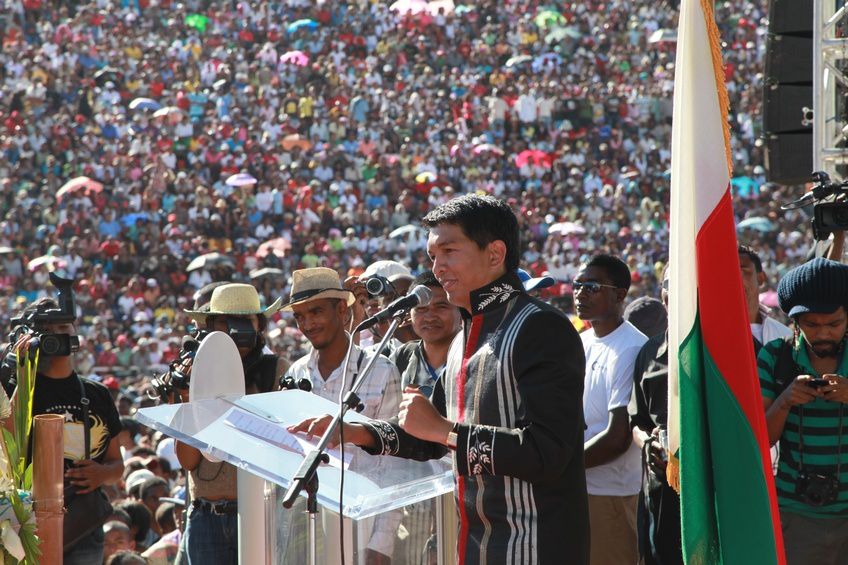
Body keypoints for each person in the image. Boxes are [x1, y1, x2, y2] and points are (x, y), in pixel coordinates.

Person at [290, 194, 589, 564]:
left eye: (449, 251)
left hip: (534, 546)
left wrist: (446, 431)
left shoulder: (541, 328)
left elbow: (548, 453)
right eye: (433, 256)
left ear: (495, 254)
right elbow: (427, 437)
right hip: (476, 544)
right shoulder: (463, 338)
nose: (438, 266)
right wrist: (354, 433)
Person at [280, 267, 403, 564]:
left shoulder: (382, 369)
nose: (308, 323)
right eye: (300, 316)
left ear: (341, 310)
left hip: (366, 526)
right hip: (309, 525)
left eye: (316, 312)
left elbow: (396, 464)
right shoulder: (295, 373)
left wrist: (381, 543)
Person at [173, 283, 285, 565]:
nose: (237, 330)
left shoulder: (276, 371)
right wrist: (190, 399)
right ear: (209, 327)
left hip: (259, 513)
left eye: (245, 320)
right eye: (226, 321)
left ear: (260, 325)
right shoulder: (194, 373)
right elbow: (188, 461)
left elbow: (278, 449)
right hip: (206, 517)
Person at [11, 297, 124, 565]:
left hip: (82, 524)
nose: (60, 336)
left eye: (65, 327)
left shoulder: (98, 394)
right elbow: (7, 443)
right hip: (25, 523)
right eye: (49, 330)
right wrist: (21, 371)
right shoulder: (17, 389)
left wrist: (102, 474)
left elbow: (118, 464)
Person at [760, 258, 848, 564]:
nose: (824, 333)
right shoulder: (775, 357)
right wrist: (785, 401)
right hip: (796, 516)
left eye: (834, 324)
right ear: (795, 322)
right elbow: (760, 440)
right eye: (812, 325)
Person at [574, 254, 647, 565]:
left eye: (591, 286)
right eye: (577, 285)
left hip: (612, 495)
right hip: (580, 488)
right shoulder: (583, 341)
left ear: (619, 294)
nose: (580, 293)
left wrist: (562, 466)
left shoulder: (630, 348)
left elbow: (618, 436)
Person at [389, 270, 462, 563]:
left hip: (463, 498)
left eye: (441, 306)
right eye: (421, 308)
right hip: (414, 502)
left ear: (459, 310)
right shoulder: (400, 360)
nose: (429, 315)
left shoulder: (475, 359)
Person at [628, 270, 683, 565]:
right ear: (664, 299)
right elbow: (636, 421)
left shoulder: (732, 348)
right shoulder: (649, 352)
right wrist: (648, 443)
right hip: (661, 486)